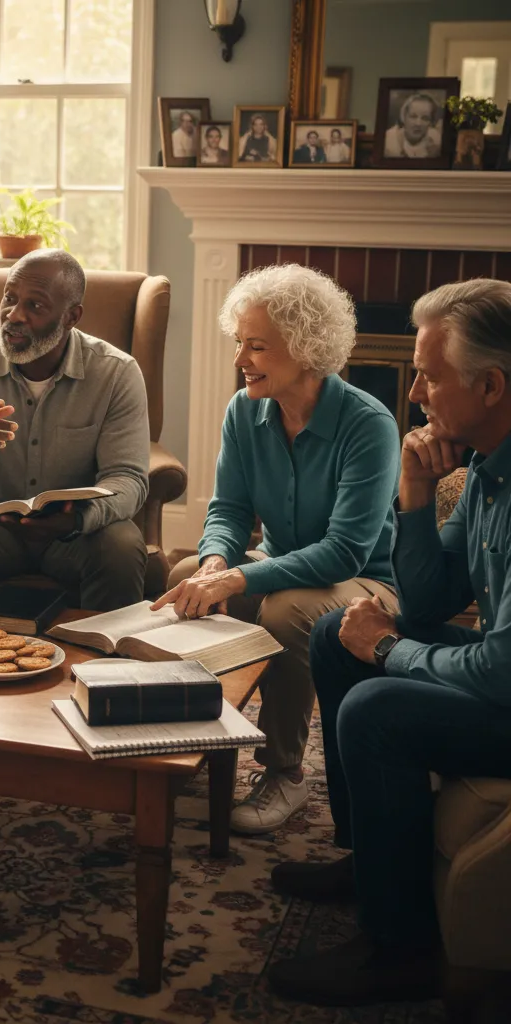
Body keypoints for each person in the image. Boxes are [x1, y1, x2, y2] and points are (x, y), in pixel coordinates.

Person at [267, 279, 511, 1007]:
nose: (416, 396)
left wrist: (393, 654)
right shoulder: (488, 470)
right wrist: (412, 492)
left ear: (492, 384)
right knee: (340, 639)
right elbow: (435, 599)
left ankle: (396, 949)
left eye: (431, 377)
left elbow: (501, 670)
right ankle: (370, 857)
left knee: (375, 705)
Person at [154, 264, 401, 834]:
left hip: (367, 582)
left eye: (257, 346)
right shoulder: (244, 410)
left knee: (284, 608)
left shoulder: (369, 425)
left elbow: (343, 552)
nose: (240, 358)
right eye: (239, 342)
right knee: (188, 572)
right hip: (285, 563)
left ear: (308, 347)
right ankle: (195, 743)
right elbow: (230, 511)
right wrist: (218, 560)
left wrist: (238, 580)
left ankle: (285, 771)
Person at [0, 249, 149, 611]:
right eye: (10, 298)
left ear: (71, 317)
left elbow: (128, 479)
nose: (13, 315)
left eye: (35, 306)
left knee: (122, 546)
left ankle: (104, 664)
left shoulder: (116, 373)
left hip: (77, 534)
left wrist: (77, 518)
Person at [384, 92, 442, 159]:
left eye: (425, 118)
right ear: (403, 117)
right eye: (413, 116)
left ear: (431, 122)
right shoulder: (389, 140)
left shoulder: (436, 140)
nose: (418, 123)